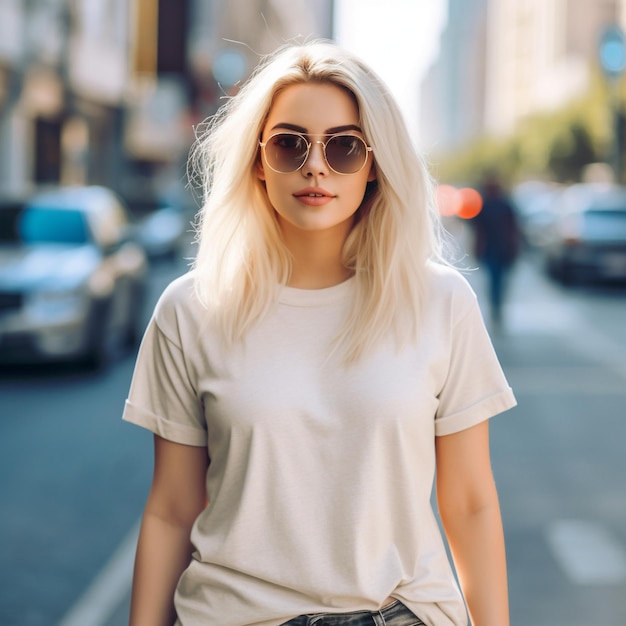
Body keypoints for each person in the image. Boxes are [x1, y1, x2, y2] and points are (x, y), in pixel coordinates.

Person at [123, 40, 516, 626]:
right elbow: (173, 509)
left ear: (375, 165)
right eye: (289, 143)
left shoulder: (441, 303)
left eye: (344, 147)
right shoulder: (190, 309)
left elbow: (470, 503)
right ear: (258, 159)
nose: (315, 166)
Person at [471, 174, 521, 329]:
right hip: (496, 250)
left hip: (498, 250)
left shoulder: (495, 205)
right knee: (496, 282)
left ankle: (496, 310)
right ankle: (496, 310)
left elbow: (512, 229)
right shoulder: (498, 205)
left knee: (496, 282)